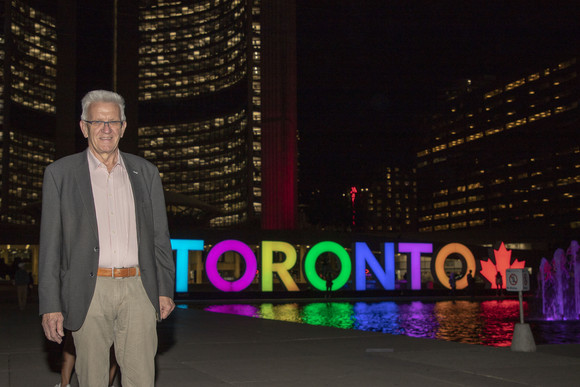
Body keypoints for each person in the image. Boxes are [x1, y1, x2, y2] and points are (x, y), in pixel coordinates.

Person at [39, 89, 175, 386]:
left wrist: (165, 288)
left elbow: (159, 237)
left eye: (113, 122)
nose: (106, 129)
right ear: (83, 126)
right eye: (97, 122)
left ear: (123, 127)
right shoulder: (59, 174)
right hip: (88, 290)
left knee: (141, 379)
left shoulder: (146, 172)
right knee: (92, 379)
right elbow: (50, 246)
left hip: (139, 290)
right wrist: (50, 304)